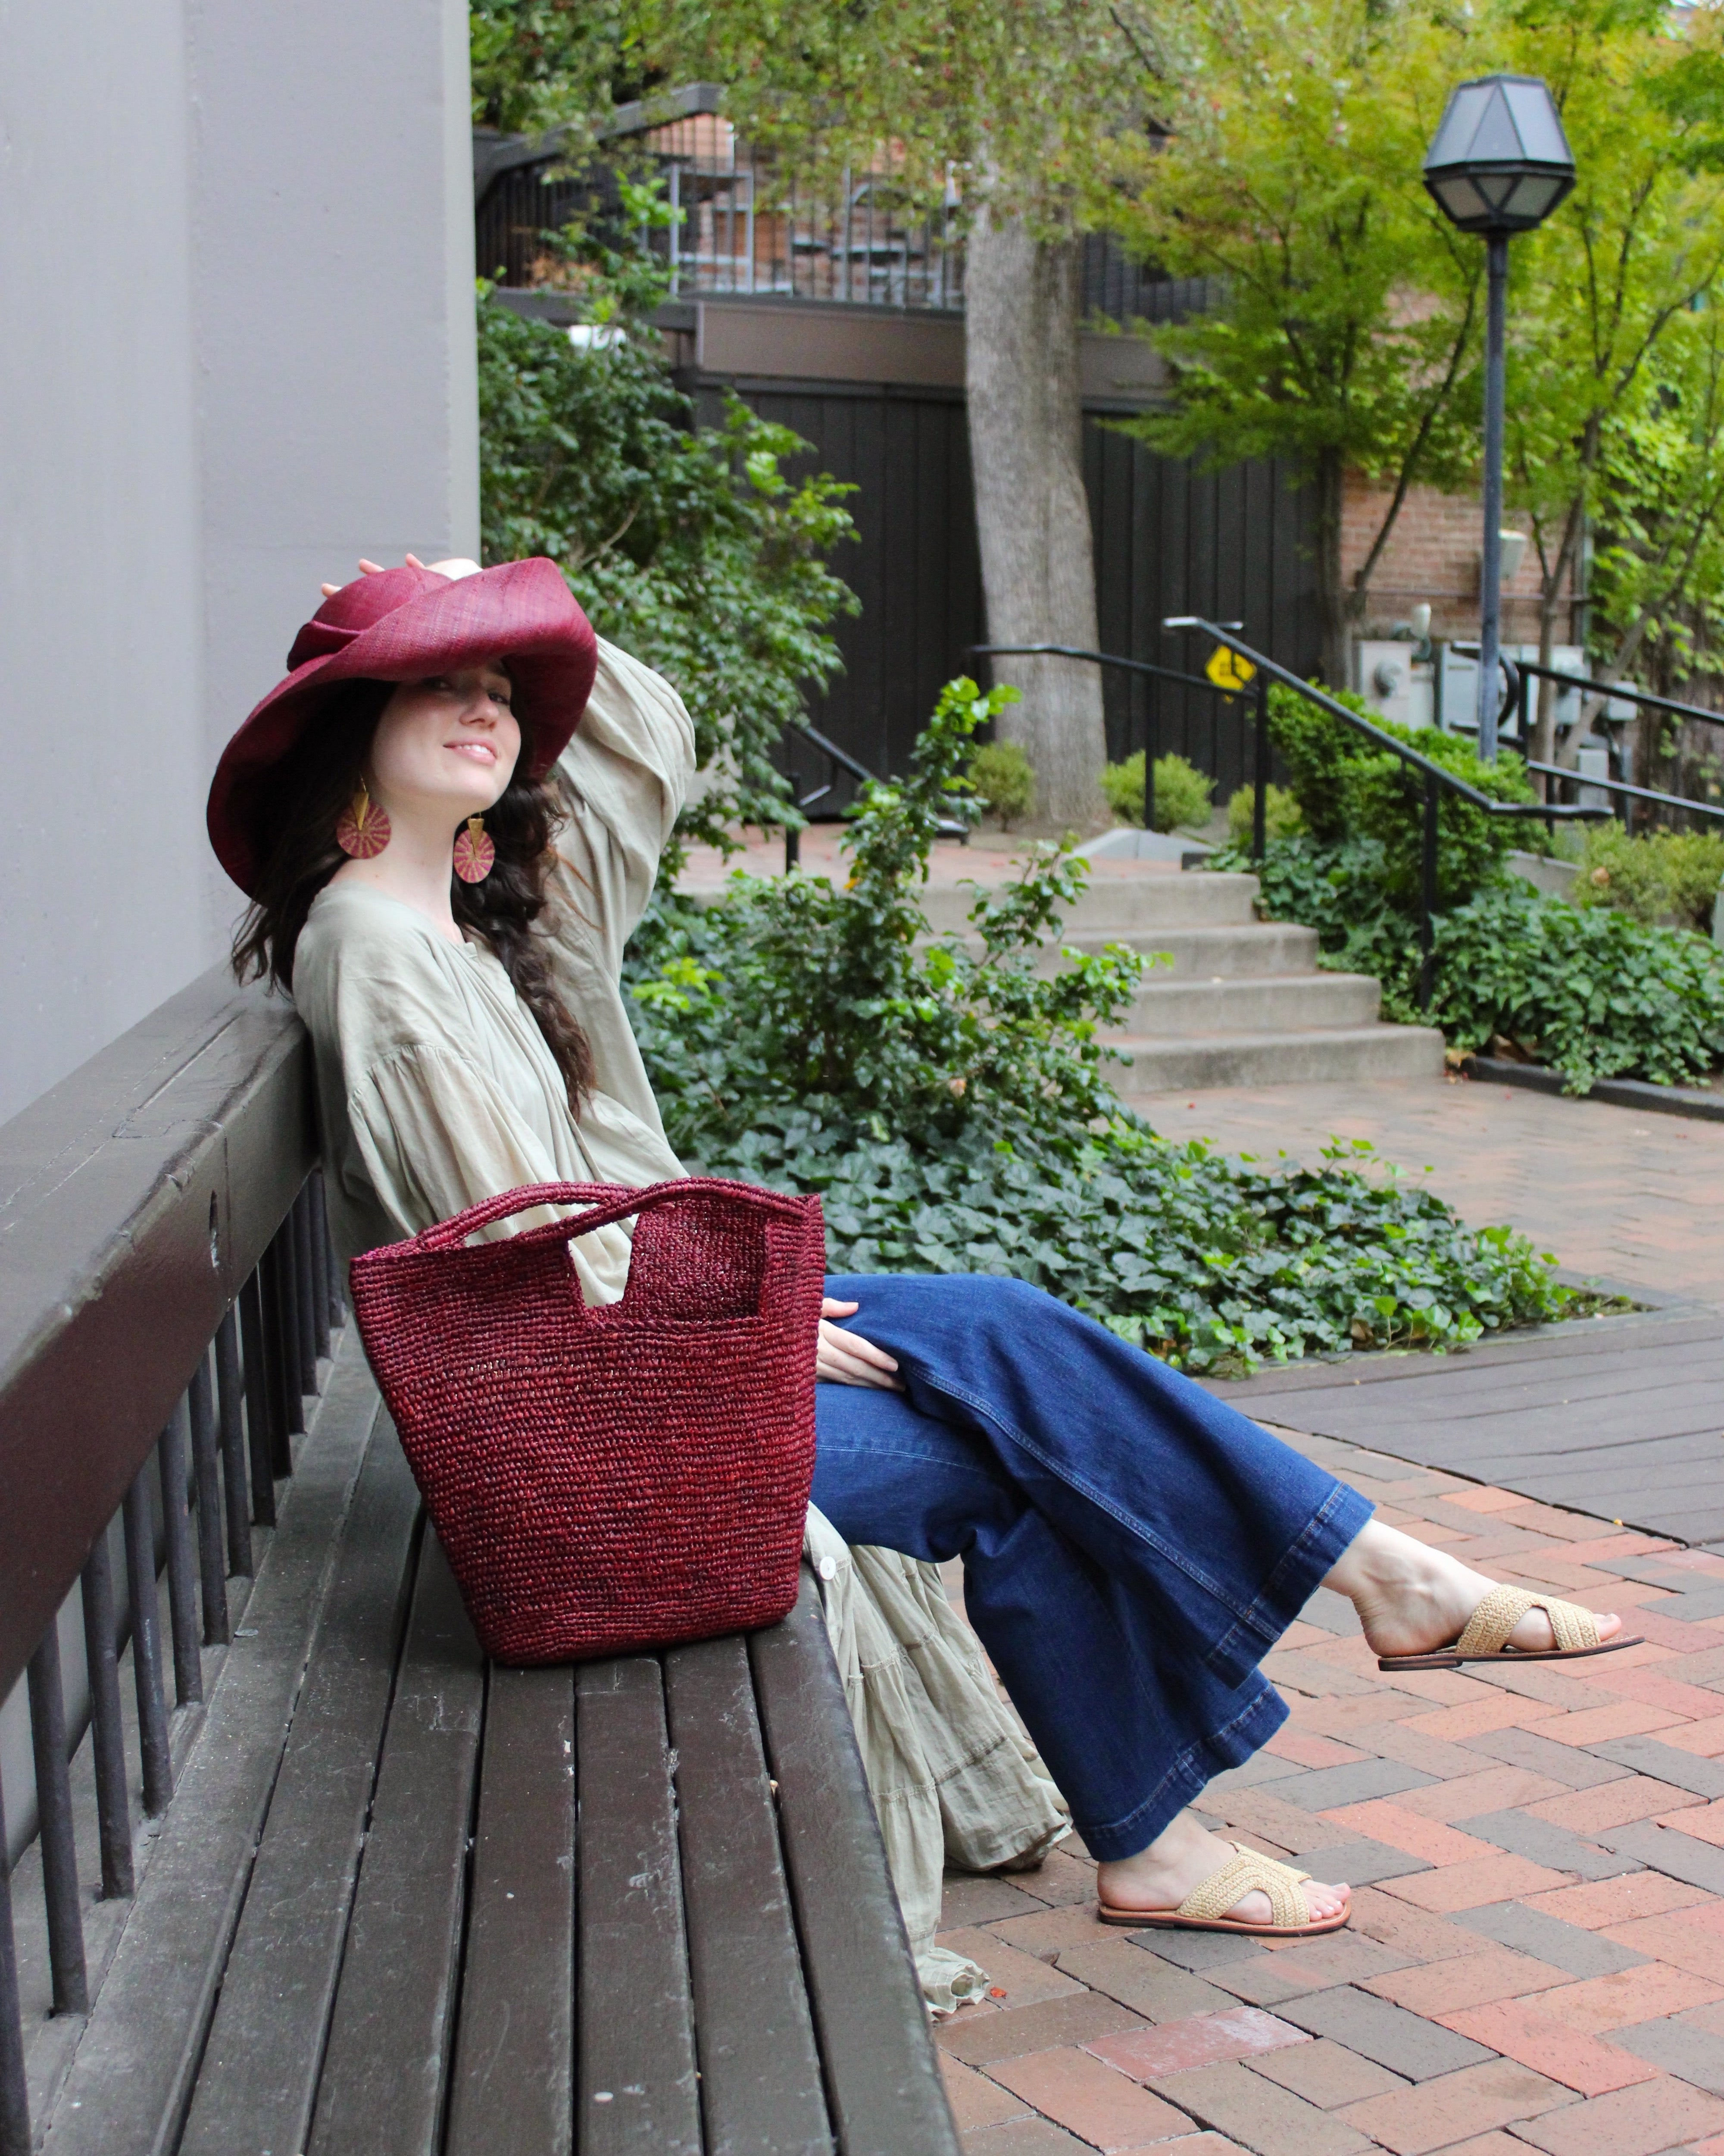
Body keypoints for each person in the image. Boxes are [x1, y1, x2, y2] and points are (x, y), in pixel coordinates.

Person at [208, 555, 1631, 1958]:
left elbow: (635, 741)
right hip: (597, 1435)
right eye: (436, 684)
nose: (487, 710)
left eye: (498, 687)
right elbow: (518, 1256)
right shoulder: (377, 952)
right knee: (1025, 1462)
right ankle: (1297, 1678)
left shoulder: (448, 928)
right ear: (353, 730)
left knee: (1005, 1333)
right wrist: (743, 1333)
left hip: (637, 1361)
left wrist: (521, 583)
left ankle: (1323, 1651)